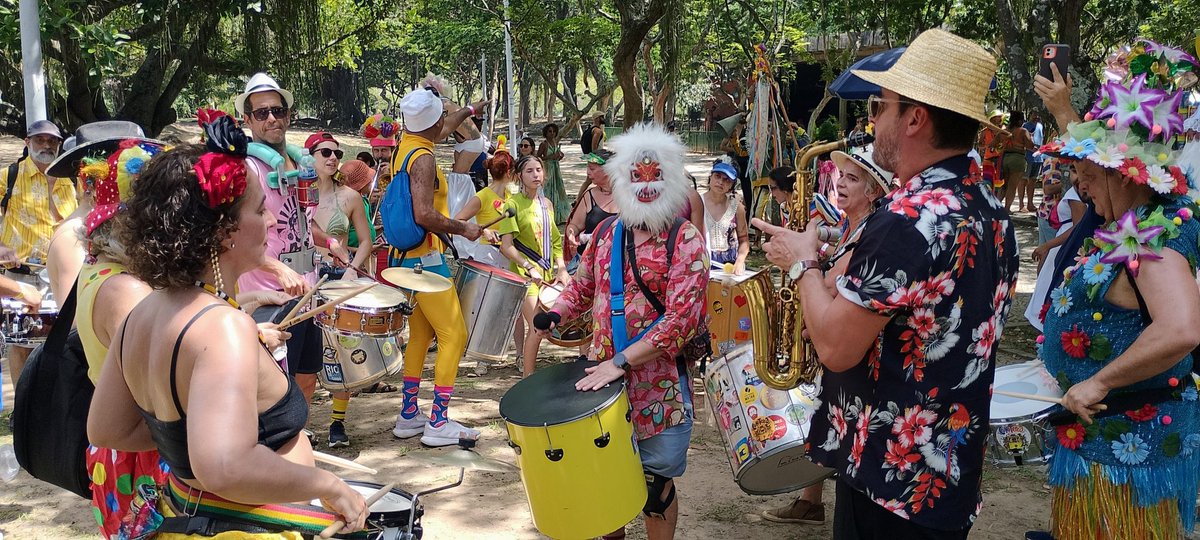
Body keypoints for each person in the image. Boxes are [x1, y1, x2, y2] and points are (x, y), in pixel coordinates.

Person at [753, 29, 1018, 538]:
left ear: (915, 118)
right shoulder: (990, 209)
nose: (873, 120)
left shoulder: (907, 218)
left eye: (881, 105)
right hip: (945, 475)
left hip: (888, 483)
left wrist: (803, 263)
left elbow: (834, 347)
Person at [87, 118, 368, 538]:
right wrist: (326, 484)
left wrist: (193, 436)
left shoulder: (141, 315)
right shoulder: (223, 328)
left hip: (189, 516)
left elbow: (107, 428)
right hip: (244, 527)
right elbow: (225, 465)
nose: (272, 222)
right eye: (259, 210)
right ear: (224, 232)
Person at [1030, 40, 1200, 540]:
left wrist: (1099, 381)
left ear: (1121, 174)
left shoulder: (1151, 233)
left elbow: (1182, 328)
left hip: (1126, 451)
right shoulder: (1133, 215)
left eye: (1084, 174)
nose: (1079, 186)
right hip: (1104, 444)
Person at [535, 123, 708, 540]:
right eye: (636, 175)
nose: (645, 185)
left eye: (655, 176)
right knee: (603, 481)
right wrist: (555, 313)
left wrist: (621, 362)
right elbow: (583, 283)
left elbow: (682, 318)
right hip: (602, 383)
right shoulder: (609, 233)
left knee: (655, 487)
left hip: (657, 385)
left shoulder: (685, 240)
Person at [761, 147, 893, 527]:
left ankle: (814, 503)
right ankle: (811, 501)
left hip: (851, 353)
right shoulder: (854, 225)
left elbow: (834, 282)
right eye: (841, 175)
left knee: (838, 430)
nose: (840, 182)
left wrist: (804, 263)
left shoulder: (871, 227)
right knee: (826, 423)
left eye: (853, 179)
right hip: (836, 343)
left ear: (873, 192)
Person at [389, 87, 496, 447]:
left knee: (421, 335)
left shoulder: (408, 142)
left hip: (405, 257)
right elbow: (424, 213)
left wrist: (468, 110)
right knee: (455, 335)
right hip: (426, 258)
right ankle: (438, 421)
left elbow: (443, 127)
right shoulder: (424, 159)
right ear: (433, 123)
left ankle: (408, 415)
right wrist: (463, 228)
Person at [231, 73, 326, 416]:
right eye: (261, 113)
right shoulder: (247, 169)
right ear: (248, 119)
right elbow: (236, 235)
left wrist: (329, 241)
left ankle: (300, 439)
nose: (271, 118)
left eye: (277, 110)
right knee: (275, 384)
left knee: (307, 377)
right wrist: (277, 268)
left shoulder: (300, 165)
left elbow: (301, 221)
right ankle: (279, 449)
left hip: (308, 291)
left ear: (288, 115)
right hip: (269, 297)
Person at [304, 132, 376, 448]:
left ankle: (337, 422)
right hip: (302, 281)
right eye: (325, 152)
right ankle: (299, 424)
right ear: (309, 157)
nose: (333, 157)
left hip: (338, 282)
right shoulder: (295, 194)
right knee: (300, 356)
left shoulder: (350, 197)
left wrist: (350, 269)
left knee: (340, 353)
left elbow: (365, 241)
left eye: (336, 152)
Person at [1, 119, 75, 385]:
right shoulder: (8, 175)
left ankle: (51, 404)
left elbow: (66, 221)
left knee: (59, 339)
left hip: (54, 274)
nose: (46, 146)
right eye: (40, 140)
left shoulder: (65, 179)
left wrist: (53, 186)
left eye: (52, 141)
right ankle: (21, 406)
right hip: (18, 276)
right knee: (19, 341)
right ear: (27, 142)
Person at [497, 155, 568, 376]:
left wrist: (561, 267)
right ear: (519, 176)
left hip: (547, 274)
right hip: (524, 275)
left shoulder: (546, 204)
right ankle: (528, 378)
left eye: (538, 169)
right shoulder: (512, 205)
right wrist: (528, 266)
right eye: (529, 171)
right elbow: (505, 246)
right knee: (537, 326)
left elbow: (556, 240)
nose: (536, 174)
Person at [453, 141, 516, 270]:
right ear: (509, 173)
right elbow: (458, 220)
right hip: (487, 255)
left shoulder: (510, 196)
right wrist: (484, 231)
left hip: (507, 254)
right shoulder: (483, 196)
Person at [564, 149, 617, 265]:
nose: (588, 172)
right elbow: (575, 225)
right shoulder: (589, 195)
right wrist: (571, 234)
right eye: (588, 168)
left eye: (592, 169)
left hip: (616, 261)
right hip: (586, 260)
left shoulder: (630, 197)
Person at [702, 158, 749, 274]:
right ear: (710, 177)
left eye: (726, 180)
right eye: (717, 176)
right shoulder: (697, 203)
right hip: (701, 264)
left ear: (732, 185)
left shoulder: (737, 208)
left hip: (729, 268)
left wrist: (740, 261)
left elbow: (744, 240)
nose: (721, 182)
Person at [1001, 110, 1036, 212]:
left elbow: (993, 144)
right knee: (1012, 186)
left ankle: (998, 206)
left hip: (1005, 158)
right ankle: (1006, 209)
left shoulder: (1004, 131)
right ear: (1020, 121)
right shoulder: (1023, 131)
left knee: (1004, 185)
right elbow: (1030, 146)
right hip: (1018, 159)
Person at [537, 124, 570, 224]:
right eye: (550, 131)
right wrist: (550, 157)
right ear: (546, 133)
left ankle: (559, 214)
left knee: (558, 189)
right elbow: (538, 157)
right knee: (548, 189)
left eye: (553, 131)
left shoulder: (555, 142)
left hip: (556, 168)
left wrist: (559, 156)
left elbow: (557, 155)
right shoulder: (544, 144)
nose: (552, 133)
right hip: (548, 168)